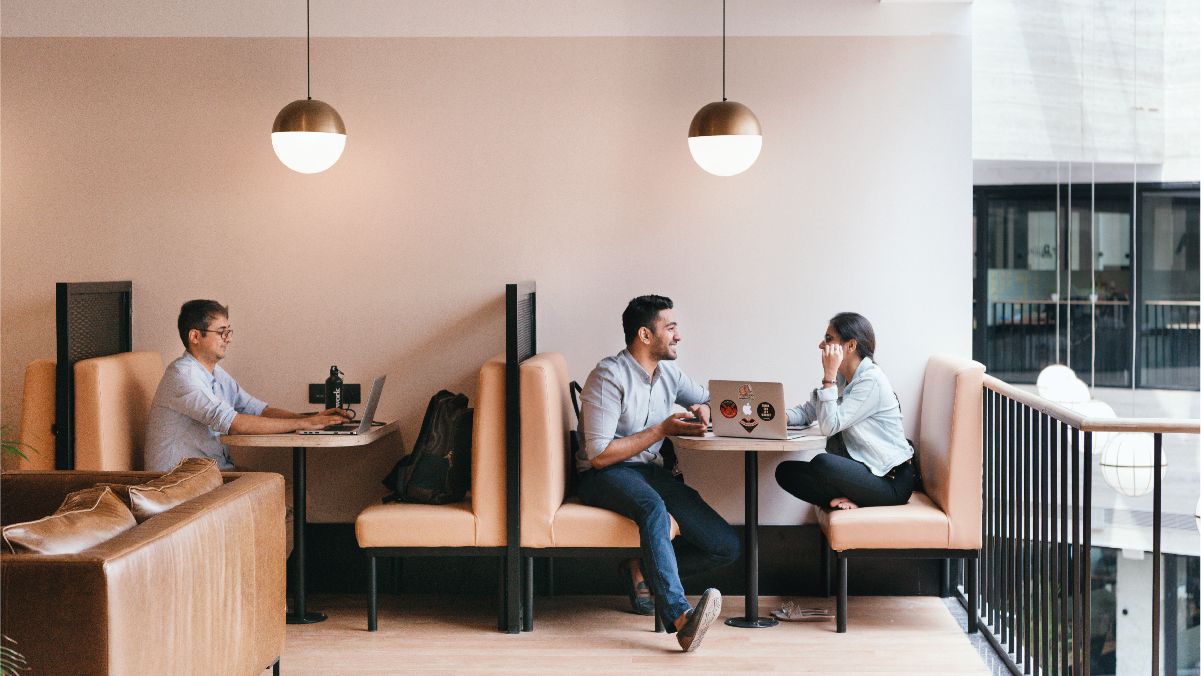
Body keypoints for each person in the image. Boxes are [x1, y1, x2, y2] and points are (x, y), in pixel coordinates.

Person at [576, 294, 739, 653]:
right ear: (645, 336)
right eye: (671, 327)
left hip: (648, 471)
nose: (678, 336)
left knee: (725, 546)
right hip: (604, 474)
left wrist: (706, 409)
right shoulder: (608, 375)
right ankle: (681, 620)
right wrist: (661, 430)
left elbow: (710, 397)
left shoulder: (668, 373)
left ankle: (643, 568)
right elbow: (599, 455)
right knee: (653, 509)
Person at [144, 299, 351, 472]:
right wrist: (305, 425)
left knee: (286, 491)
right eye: (222, 332)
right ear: (195, 336)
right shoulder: (183, 376)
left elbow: (259, 410)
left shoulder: (215, 373)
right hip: (177, 482)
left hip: (209, 473)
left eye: (229, 332)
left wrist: (309, 418)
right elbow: (235, 424)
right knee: (284, 494)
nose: (229, 339)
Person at [774, 312, 916, 511]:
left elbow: (829, 426)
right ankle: (851, 497)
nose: (821, 345)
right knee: (785, 472)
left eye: (829, 339)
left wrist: (828, 376)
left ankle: (859, 498)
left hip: (891, 480)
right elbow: (808, 412)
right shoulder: (843, 378)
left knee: (824, 463)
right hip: (865, 471)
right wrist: (775, 418)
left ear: (850, 346)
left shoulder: (870, 380)